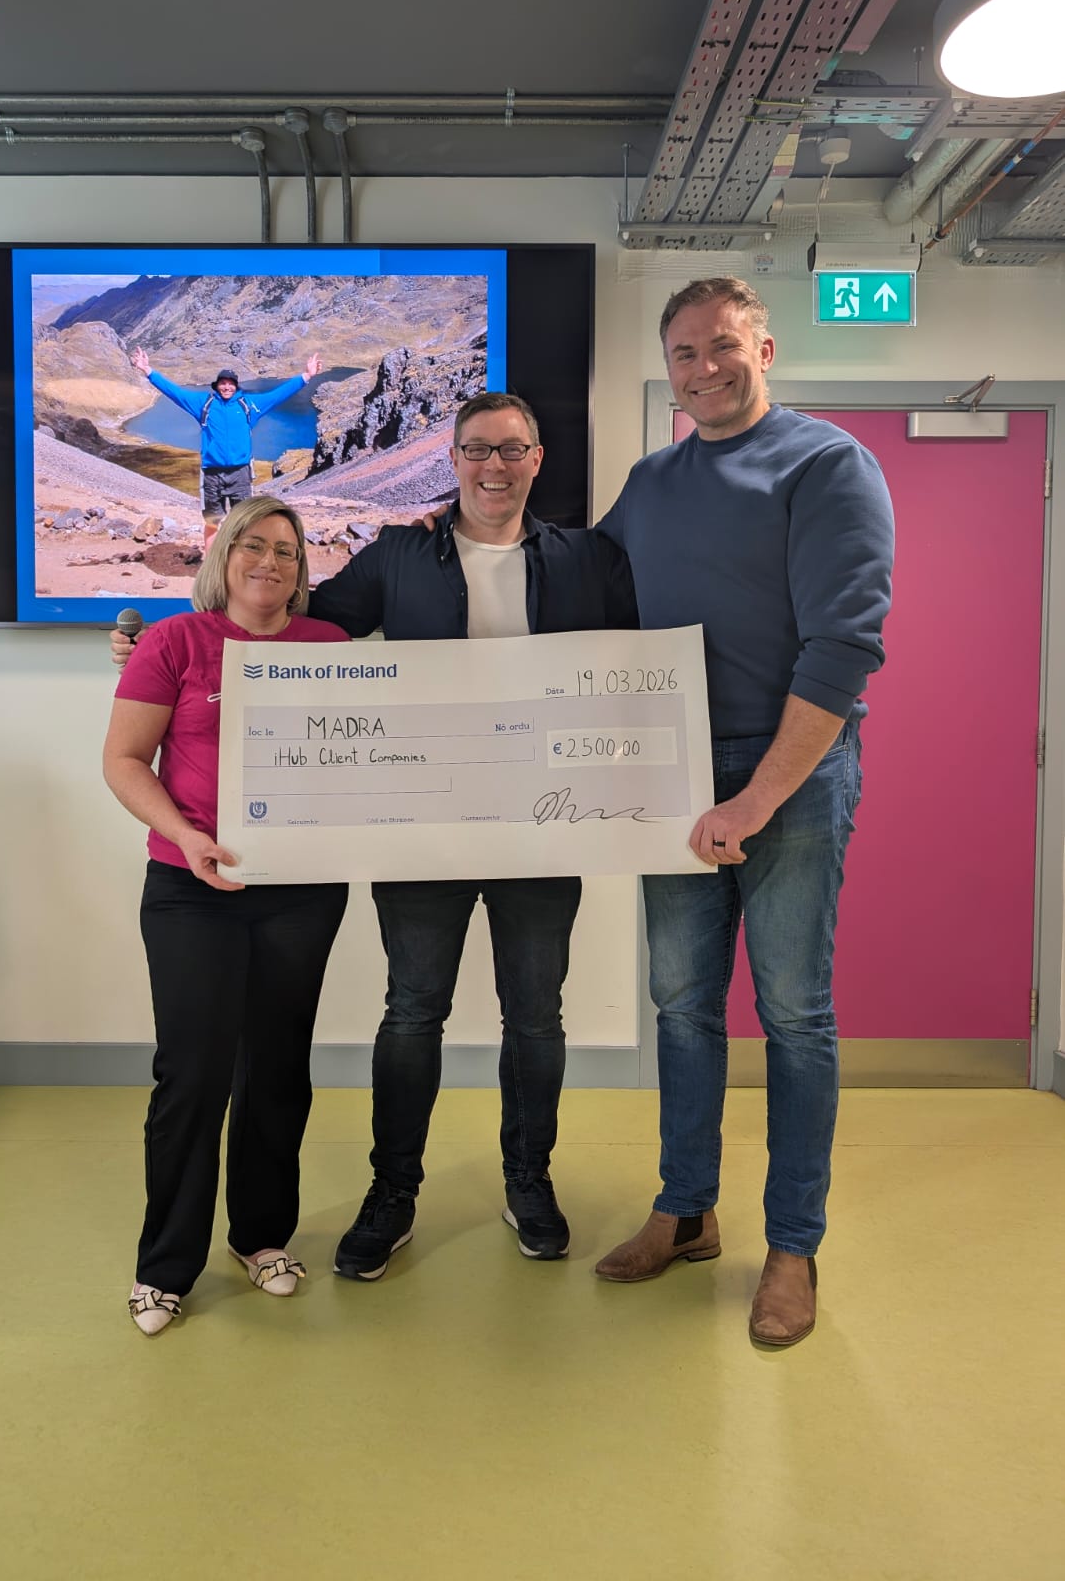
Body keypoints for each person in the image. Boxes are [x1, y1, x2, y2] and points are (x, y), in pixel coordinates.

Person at [112, 392, 638, 1283]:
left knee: (536, 1015)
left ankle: (529, 1182)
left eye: (512, 450)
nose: (495, 466)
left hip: (542, 834)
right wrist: (142, 644)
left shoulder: (589, 559)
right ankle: (392, 1192)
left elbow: (635, 667)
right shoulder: (399, 555)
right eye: (477, 450)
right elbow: (280, 621)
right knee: (412, 1012)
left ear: (537, 459)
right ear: (454, 459)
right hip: (422, 833)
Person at [593, 277, 895, 1346]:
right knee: (680, 1003)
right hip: (673, 774)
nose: (703, 368)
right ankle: (685, 1211)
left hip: (791, 777)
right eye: (683, 353)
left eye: (722, 346)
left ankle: (792, 1246)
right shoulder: (651, 482)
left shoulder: (827, 464)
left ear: (763, 350)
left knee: (793, 1013)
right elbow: (578, 593)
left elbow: (844, 648)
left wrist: (757, 796)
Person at [104, 496, 351, 1335]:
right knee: (193, 1072)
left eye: (286, 550)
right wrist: (186, 835)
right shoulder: (175, 642)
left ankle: (261, 1238)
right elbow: (125, 759)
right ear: (223, 556)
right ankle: (164, 1266)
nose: (269, 562)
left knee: (277, 1068)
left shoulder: (331, 647)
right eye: (253, 545)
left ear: (302, 570)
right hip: (190, 887)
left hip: (302, 891)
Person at [130, 347, 322, 550]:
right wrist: (148, 370)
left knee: (245, 521)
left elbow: (278, 394)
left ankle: (241, 559)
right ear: (217, 386)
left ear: (236, 386)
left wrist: (307, 376)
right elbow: (174, 392)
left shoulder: (249, 405)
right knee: (212, 521)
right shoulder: (204, 404)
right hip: (212, 474)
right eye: (223, 383)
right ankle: (211, 561)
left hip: (240, 474)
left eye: (231, 383)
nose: (227, 387)